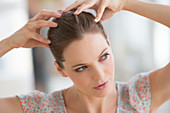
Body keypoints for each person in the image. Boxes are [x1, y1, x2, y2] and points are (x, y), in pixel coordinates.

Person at [0, 0, 169, 113]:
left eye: (103, 57)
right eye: (81, 68)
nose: (100, 75)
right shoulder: (42, 108)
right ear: (61, 69)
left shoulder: (139, 96)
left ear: (109, 45)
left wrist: (124, 3)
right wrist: (9, 43)